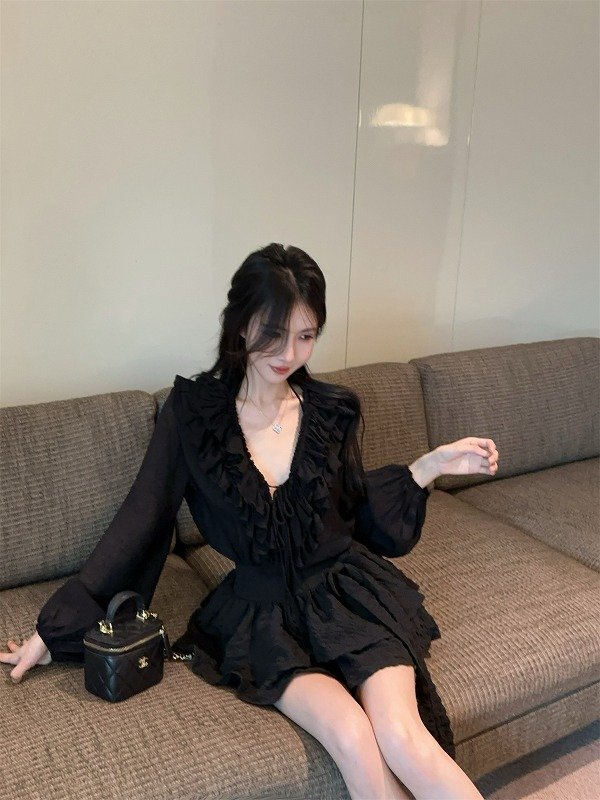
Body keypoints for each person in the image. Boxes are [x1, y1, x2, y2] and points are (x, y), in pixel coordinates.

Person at [1, 243, 497, 800]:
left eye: (306, 336)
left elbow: (353, 513)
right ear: (240, 325)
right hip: (263, 614)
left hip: (348, 594)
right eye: (273, 334)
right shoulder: (194, 414)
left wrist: (428, 467)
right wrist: (56, 628)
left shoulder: (333, 411)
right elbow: (142, 517)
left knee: (404, 737)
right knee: (353, 737)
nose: (289, 353)